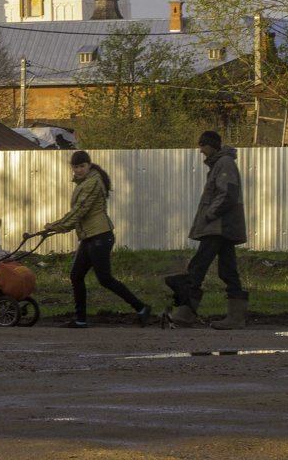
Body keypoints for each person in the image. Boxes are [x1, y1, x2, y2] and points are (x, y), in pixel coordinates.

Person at [42, 150, 151, 328]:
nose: (78, 170)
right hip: (90, 237)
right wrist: (56, 226)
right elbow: (78, 213)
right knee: (76, 276)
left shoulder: (92, 183)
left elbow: (80, 211)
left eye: (82, 166)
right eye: (75, 167)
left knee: (105, 279)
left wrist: (56, 226)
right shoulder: (84, 183)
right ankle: (80, 319)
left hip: (100, 236)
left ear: (89, 165)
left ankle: (141, 308)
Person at [166, 130, 249, 329]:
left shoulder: (224, 164)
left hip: (219, 226)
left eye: (203, 145)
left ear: (212, 145)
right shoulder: (219, 164)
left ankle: (186, 313)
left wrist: (210, 214)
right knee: (227, 271)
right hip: (221, 226)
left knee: (198, 266)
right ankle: (235, 318)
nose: (200, 150)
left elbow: (228, 193)